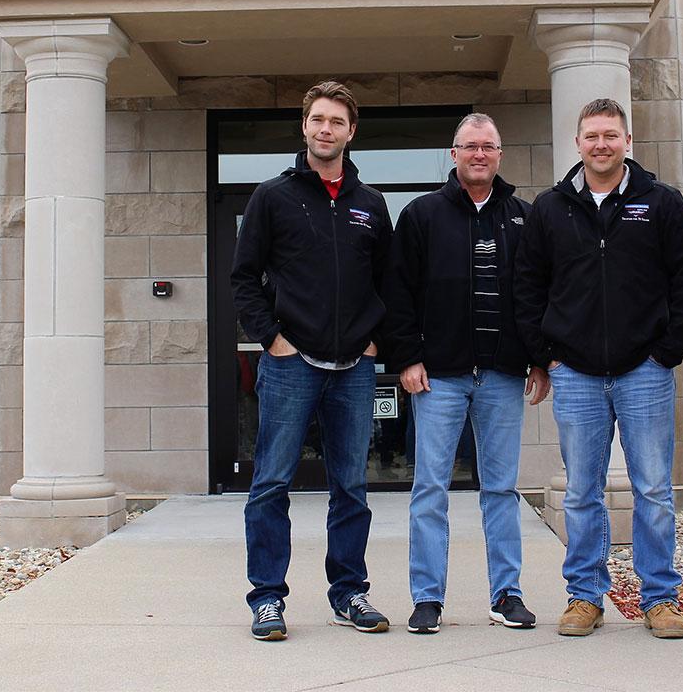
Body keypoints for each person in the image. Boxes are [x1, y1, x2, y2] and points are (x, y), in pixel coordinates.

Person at [514, 97, 683, 639]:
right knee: (581, 492)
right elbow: (527, 286)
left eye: (611, 135)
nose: (601, 144)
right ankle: (585, 596)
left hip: (644, 369)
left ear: (627, 141)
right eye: (592, 135)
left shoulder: (660, 203)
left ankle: (660, 598)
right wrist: (544, 353)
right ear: (578, 143)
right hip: (574, 372)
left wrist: (667, 350)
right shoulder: (550, 208)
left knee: (653, 490)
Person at [230, 81, 393, 642]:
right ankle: (268, 598)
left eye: (338, 122)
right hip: (290, 364)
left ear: (352, 132)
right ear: (305, 126)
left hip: (355, 367)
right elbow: (244, 278)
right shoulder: (272, 197)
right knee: (272, 484)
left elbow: (388, 282)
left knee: (351, 487)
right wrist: (272, 338)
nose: (327, 129)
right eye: (318, 119)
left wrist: (377, 340)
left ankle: (349, 593)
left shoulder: (370, 205)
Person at [383, 112, 550, 634]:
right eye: (469, 146)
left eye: (488, 147)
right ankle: (428, 598)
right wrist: (407, 357)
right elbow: (397, 293)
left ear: (500, 155)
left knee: (500, 489)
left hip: (503, 376)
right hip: (439, 377)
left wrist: (541, 360)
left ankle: (507, 594)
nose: (479, 155)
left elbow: (538, 295)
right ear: (453, 155)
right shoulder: (421, 215)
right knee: (429, 488)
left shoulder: (524, 217)